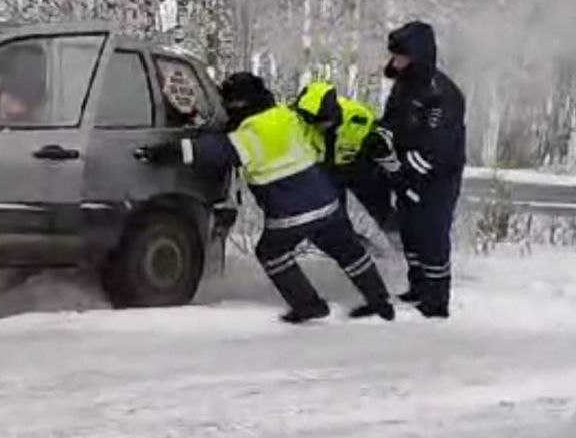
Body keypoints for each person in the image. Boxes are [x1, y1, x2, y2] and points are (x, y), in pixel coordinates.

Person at [135, 72, 395, 323]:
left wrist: (159, 153)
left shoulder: (250, 134)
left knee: (271, 252)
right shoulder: (288, 116)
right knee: (348, 250)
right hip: (327, 204)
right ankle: (380, 300)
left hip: (290, 212)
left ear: (238, 105)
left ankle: (309, 305)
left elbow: (209, 151)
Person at [377, 21, 466, 319]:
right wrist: (381, 139)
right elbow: (390, 120)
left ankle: (437, 299)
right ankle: (418, 287)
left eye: (401, 56)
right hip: (407, 170)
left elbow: (436, 147)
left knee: (432, 233)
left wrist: (407, 176)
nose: (395, 62)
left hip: (438, 176)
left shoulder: (443, 93)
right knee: (410, 229)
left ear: (418, 55)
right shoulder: (404, 85)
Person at [292, 81, 397, 233]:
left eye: (322, 122)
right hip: (324, 172)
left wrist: (379, 146)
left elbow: (384, 136)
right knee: (335, 224)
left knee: (384, 213)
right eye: (315, 124)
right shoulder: (299, 125)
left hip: (359, 165)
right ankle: (367, 253)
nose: (319, 127)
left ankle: (404, 246)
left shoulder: (357, 115)